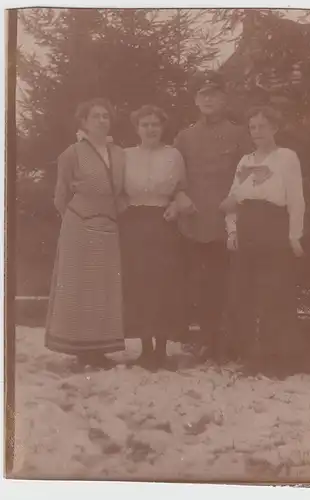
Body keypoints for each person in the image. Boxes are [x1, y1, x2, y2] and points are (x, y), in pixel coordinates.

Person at [221, 105, 305, 374]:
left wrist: (294, 235)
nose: (257, 132)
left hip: (274, 225)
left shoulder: (286, 157)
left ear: (275, 128)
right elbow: (234, 197)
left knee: (274, 292)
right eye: (253, 127)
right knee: (246, 293)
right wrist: (232, 230)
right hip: (248, 226)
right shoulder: (245, 161)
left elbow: (296, 198)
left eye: (263, 126)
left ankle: (278, 359)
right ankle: (252, 357)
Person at [45, 98, 126, 370]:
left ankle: (100, 348)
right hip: (79, 225)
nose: (102, 121)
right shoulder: (72, 153)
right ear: (83, 122)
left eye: (106, 116)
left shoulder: (118, 152)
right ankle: (81, 349)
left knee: (104, 288)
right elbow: (60, 196)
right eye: (96, 116)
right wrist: (77, 219)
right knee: (80, 288)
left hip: (109, 225)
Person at [173, 72, 248, 361]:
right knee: (199, 285)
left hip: (226, 224)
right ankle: (203, 340)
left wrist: (236, 201)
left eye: (213, 94)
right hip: (193, 223)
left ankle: (225, 343)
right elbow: (174, 174)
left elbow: (249, 173)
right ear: (195, 100)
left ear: (224, 99)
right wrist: (179, 195)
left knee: (227, 284)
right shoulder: (185, 136)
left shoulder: (239, 134)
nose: (208, 99)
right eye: (202, 95)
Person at [120, 105, 188, 371]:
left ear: (163, 128)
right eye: (145, 124)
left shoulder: (173, 155)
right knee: (139, 285)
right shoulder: (125, 155)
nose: (150, 129)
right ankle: (145, 348)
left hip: (163, 223)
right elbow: (118, 190)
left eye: (155, 124)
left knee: (163, 286)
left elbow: (182, 188)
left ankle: (161, 348)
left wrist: (176, 206)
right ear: (137, 129)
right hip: (134, 223)